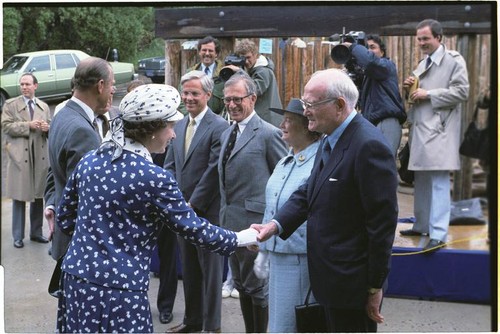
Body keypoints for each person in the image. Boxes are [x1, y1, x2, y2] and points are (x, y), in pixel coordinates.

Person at [55, 84, 258, 333]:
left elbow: (65, 218)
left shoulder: (90, 160)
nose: (173, 134)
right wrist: (239, 237)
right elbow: (193, 229)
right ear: (152, 129)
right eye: (170, 126)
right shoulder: (153, 178)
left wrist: (96, 241)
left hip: (76, 282)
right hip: (121, 291)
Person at [252, 68, 398, 333]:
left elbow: (382, 226)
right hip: (328, 283)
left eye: (311, 104)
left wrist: (375, 286)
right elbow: (310, 191)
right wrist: (275, 225)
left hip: (351, 289)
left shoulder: (368, 146)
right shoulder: (330, 138)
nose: (305, 110)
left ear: (339, 106)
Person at [218, 72, 287, 333]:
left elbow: (282, 184)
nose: (232, 105)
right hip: (231, 226)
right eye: (227, 100)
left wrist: (273, 227)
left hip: (256, 227)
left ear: (253, 98)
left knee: (257, 288)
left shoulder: (269, 134)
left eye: (237, 99)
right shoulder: (227, 133)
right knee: (242, 284)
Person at [164, 70, 230, 333]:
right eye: (186, 93)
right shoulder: (178, 125)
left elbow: (214, 170)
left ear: (208, 95)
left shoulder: (219, 127)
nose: (189, 98)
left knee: (211, 275)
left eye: (194, 93)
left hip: (207, 213)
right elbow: (170, 166)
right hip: (183, 211)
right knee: (189, 271)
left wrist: (193, 204)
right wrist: (175, 201)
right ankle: (193, 323)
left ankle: (211, 327)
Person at [400, 19, 470, 252]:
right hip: (422, 131)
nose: (421, 43)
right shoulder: (423, 63)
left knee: (439, 182)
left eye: (425, 38)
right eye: (419, 39)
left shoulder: (453, 60)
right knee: (421, 181)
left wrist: (429, 93)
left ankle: (438, 233)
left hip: (440, 131)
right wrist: (408, 87)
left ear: (439, 37)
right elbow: (415, 96)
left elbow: (462, 91)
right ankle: (421, 225)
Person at [255, 98, 321, 332]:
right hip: (276, 253)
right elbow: (271, 206)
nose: (282, 125)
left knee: (289, 324)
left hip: (298, 255)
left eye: (289, 120)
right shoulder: (285, 161)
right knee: (277, 322)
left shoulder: (318, 162)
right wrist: (262, 248)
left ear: (306, 127)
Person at [44, 56, 116, 261]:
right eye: (112, 84)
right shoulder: (82, 131)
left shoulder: (62, 114)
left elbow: (55, 170)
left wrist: (51, 204)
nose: (113, 90)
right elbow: (88, 199)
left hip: (67, 241)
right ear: (100, 85)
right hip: (81, 248)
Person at [1, 73, 51, 248]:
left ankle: (36, 232)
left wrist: (47, 128)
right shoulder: (11, 105)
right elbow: (6, 126)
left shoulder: (43, 106)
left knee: (38, 195)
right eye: (22, 84)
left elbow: (50, 127)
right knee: (19, 196)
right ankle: (17, 236)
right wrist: (27, 126)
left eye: (28, 84)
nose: (24, 87)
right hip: (19, 157)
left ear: (35, 86)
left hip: (39, 155)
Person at [343, 34, 407, 156]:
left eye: (372, 47)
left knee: (383, 166)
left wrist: (353, 47)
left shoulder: (386, 65)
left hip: (387, 122)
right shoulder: (367, 76)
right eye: (366, 48)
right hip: (371, 124)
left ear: (382, 52)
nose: (368, 51)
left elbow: (370, 62)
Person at [225, 38, 283, 127]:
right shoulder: (250, 69)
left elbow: (254, 90)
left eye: (248, 57)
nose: (246, 61)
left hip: (268, 120)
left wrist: (239, 72)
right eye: (243, 58)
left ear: (256, 55)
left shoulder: (263, 70)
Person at [179, 36, 225, 115]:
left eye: (210, 51)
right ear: (199, 52)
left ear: (216, 54)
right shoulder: (190, 74)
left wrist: (218, 119)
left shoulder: (224, 74)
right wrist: (191, 116)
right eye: (204, 50)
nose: (207, 53)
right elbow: (181, 99)